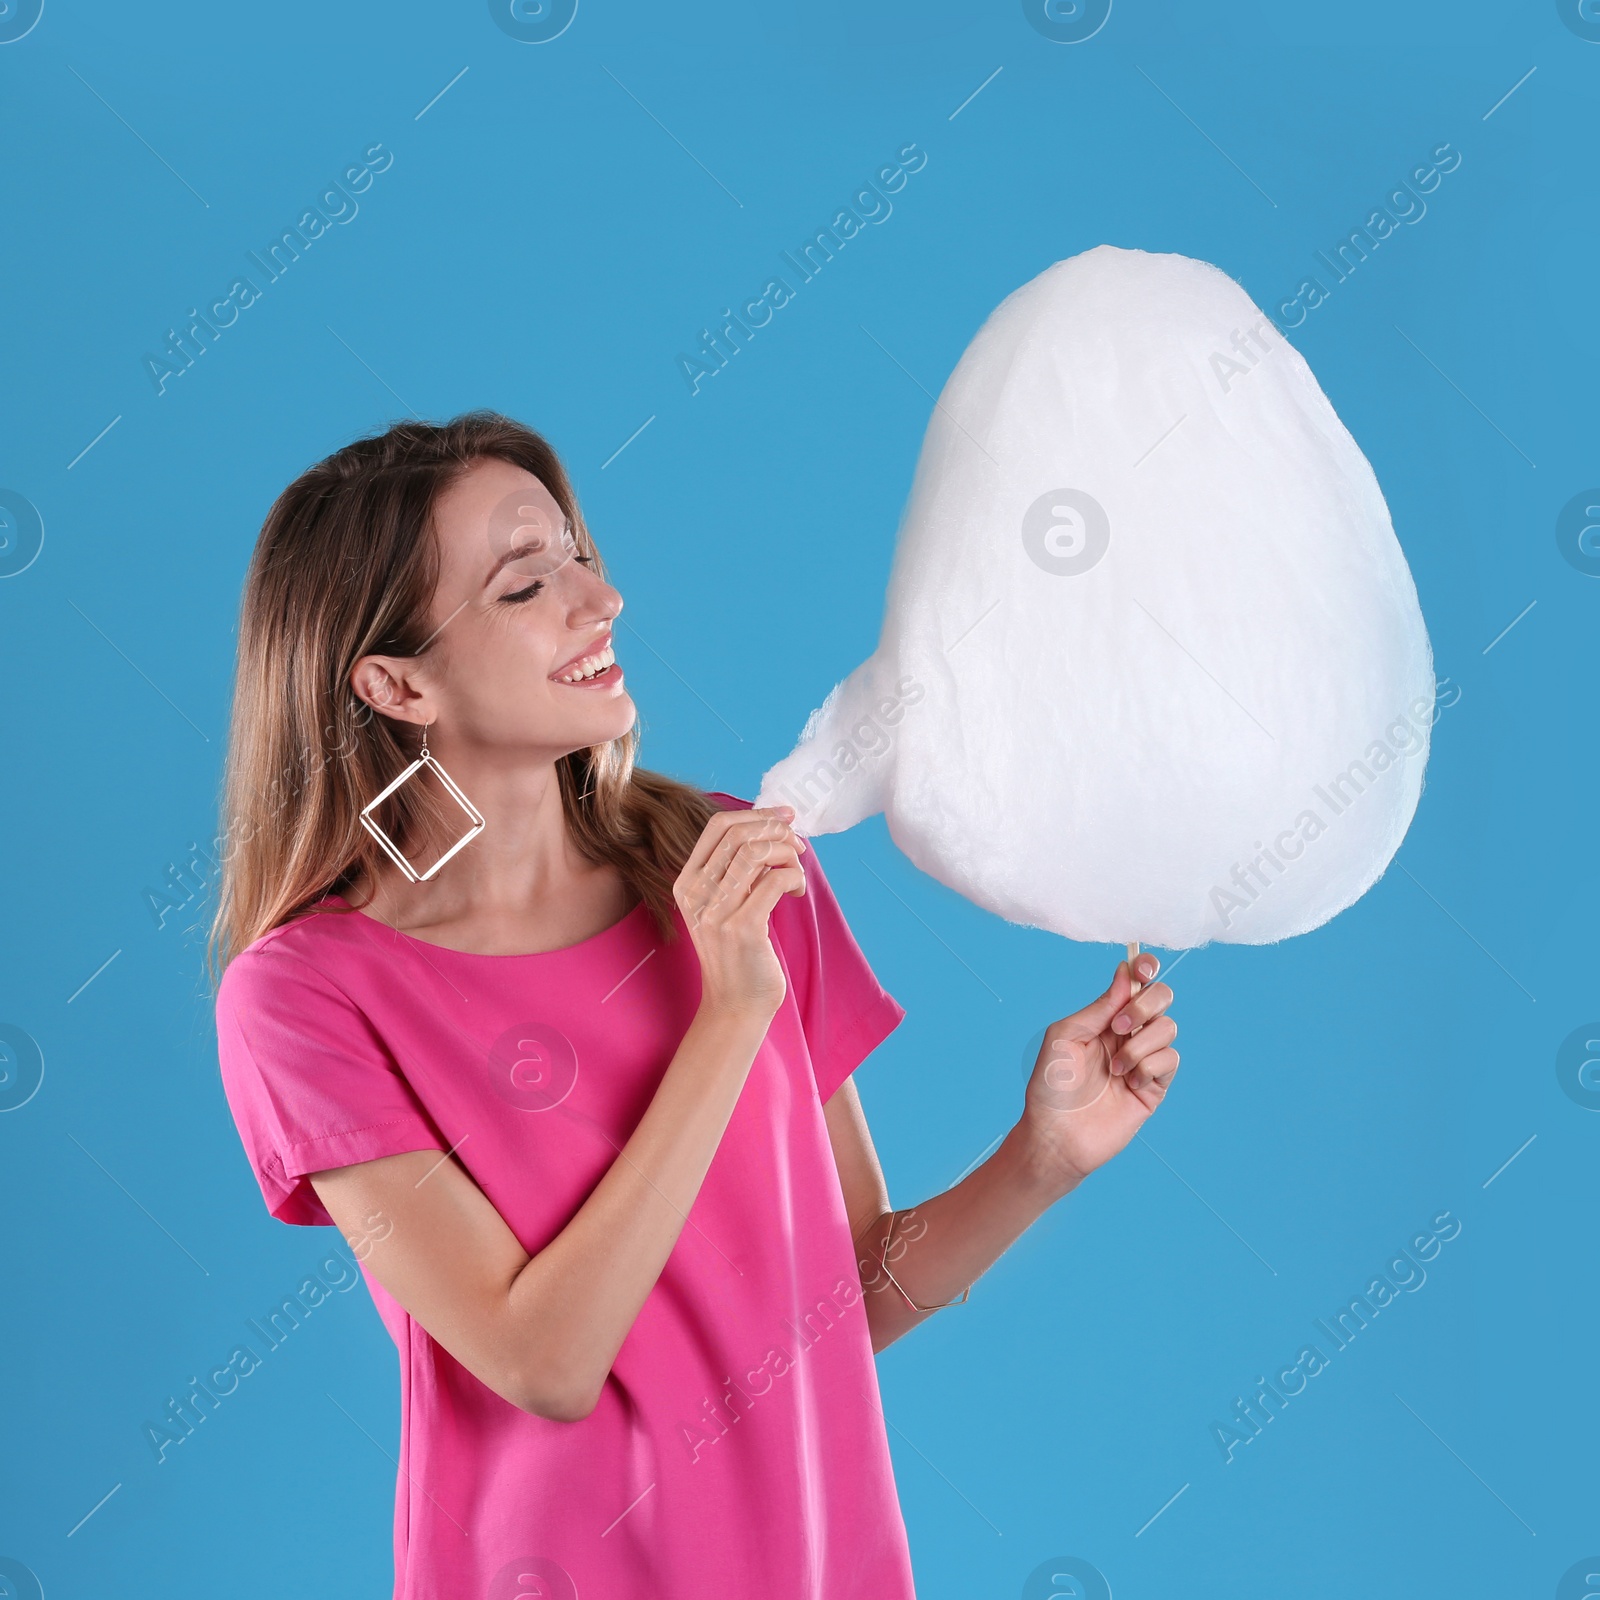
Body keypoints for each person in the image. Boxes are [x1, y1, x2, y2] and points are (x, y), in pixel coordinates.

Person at [210, 411, 1180, 1600]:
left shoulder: (725, 866)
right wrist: (725, 1016)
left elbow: (844, 1292)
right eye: (526, 586)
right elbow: (543, 1358)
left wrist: (1041, 1157)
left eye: (576, 554)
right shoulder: (307, 995)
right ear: (397, 682)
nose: (599, 598)